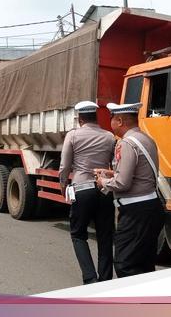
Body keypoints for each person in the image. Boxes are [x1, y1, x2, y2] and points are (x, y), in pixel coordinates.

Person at [95, 102, 164, 277]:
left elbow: (123, 183)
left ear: (119, 120)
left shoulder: (126, 143)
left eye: (112, 119)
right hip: (151, 206)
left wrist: (103, 182)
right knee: (145, 263)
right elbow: (139, 172)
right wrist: (110, 173)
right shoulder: (146, 139)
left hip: (135, 212)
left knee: (125, 263)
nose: (110, 123)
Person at [59, 101, 116, 284]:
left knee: (78, 234)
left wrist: (62, 184)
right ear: (96, 116)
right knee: (105, 236)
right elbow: (113, 165)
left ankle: (90, 279)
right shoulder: (109, 136)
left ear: (80, 118)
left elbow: (65, 165)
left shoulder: (73, 135)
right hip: (104, 189)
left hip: (81, 190)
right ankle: (105, 278)